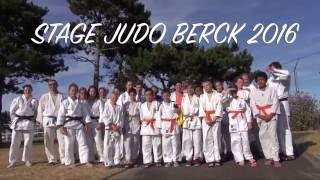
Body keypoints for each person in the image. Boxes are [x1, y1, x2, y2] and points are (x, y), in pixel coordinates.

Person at [56, 83, 93, 168]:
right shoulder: (65, 102)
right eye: (72, 90)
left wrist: (87, 123)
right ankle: (69, 162)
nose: (74, 92)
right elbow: (61, 114)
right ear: (69, 91)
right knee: (69, 143)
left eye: (75, 90)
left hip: (79, 125)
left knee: (83, 143)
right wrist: (60, 126)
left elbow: (85, 114)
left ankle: (85, 161)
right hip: (68, 125)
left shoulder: (81, 103)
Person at [250, 71, 281, 168]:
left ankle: (276, 158)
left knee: (273, 136)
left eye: (262, 79)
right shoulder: (254, 92)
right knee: (263, 137)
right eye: (258, 80)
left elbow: (276, 103)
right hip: (261, 117)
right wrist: (260, 116)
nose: (260, 81)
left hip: (271, 116)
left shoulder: (272, 90)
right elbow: (253, 106)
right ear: (256, 82)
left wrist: (271, 114)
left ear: (265, 80)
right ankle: (269, 157)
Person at [267, 61, 295, 161]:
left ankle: (289, 152)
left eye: (272, 69)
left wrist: (274, 70)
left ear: (278, 69)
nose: (270, 71)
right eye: (270, 69)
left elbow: (287, 73)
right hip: (273, 105)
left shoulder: (285, 77)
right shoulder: (269, 80)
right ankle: (280, 152)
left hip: (283, 102)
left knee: (285, 129)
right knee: (276, 129)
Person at [8, 84, 38, 168]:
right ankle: (12, 161)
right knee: (14, 142)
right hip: (18, 122)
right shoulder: (17, 99)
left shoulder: (34, 101)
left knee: (28, 142)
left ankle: (27, 160)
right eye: (26, 90)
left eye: (29, 89)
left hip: (29, 122)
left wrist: (33, 120)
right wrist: (14, 120)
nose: (27, 91)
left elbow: (36, 112)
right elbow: (12, 111)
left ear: (31, 91)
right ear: (23, 91)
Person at [225, 86, 256, 167]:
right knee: (235, 141)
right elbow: (221, 101)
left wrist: (249, 122)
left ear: (237, 91)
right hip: (233, 122)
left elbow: (248, 111)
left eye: (235, 91)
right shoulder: (227, 100)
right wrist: (228, 91)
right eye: (232, 91)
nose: (233, 93)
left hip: (243, 121)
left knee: (245, 140)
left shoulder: (242, 100)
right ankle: (239, 158)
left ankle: (249, 156)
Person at [37, 80, 65, 165]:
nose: (52, 86)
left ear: (57, 85)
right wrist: (40, 122)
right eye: (50, 85)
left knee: (62, 140)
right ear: (48, 86)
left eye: (53, 84)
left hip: (59, 121)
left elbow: (64, 109)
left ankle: (63, 158)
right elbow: (40, 110)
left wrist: (64, 122)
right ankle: (52, 159)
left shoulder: (61, 96)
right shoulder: (44, 96)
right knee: (48, 141)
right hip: (48, 121)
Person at [199, 81, 223, 167]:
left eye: (207, 85)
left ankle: (217, 158)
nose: (206, 87)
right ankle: (209, 159)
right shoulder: (202, 96)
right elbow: (201, 108)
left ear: (211, 85)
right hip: (206, 118)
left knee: (216, 137)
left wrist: (215, 118)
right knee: (207, 138)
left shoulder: (217, 95)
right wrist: (206, 118)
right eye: (204, 86)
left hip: (215, 118)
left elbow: (220, 107)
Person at [140, 88, 162, 168]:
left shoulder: (157, 104)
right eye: (146, 95)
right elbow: (141, 117)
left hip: (155, 125)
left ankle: (158, 160)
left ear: (153, 95)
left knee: (157, 144)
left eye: (150, 95)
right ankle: (147, 161)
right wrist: (146, 121)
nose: (148, 96)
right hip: (146, 126)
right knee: (146, 145)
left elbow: (159, 116)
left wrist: (159, 126)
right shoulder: (142, 105)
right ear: (145, 96)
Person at [181, 85, 202, 167]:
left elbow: (201, 109)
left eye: (191, 88)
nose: (190, 89)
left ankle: (196, 158)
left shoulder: (197, 98)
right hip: (187, 120)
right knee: (187, 140)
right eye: (188, 88)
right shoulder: (184, 98)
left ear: (194, 89)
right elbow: (182, 109)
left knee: (197, 140)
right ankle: (188, 158)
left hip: (196, 119)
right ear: (186, 89)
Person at [100, 92, 123, 168]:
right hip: (109, 129)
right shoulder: (106, 106)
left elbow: (121, 119)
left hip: (117, 129)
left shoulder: (119, 107)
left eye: (116, 98)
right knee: (108, 146)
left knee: (117, 146)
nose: (114, 99)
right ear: (110, 98)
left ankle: (117, 161)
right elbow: (104, 117)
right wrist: (112, 125)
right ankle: (108, 162)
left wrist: (118, 126)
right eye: (113, 98)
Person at [159, 89, 181, 167]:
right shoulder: (161, 105)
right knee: (166, 144)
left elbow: (178, 111)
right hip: (165, 124)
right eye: (164, 96)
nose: (166, 97)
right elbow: (158, 116)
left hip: (174, 123)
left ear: (170, 95)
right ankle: (168, 160)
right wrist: (159, 127)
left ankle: (176, 159)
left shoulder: (174, 103)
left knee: (175, 143)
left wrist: (177, 110)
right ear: (162, 97)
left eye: (167, 95)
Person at [122, 88, 141, 168]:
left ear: (136, 95)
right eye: (131, 94)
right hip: (127, 124)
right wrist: (122, 126)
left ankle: (134, 159)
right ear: (129, 95)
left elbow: (141, 115)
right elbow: (122, 116)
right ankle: (128, 159)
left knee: (136, 142)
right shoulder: (125, 104)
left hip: (136, 123)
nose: (132, 96)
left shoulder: (139, 104)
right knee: (127, 142)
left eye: (134, 94)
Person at [87, 86, 105, 163]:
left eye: (94, 91)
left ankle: (101, 157)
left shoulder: (99, 101)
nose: (92, 93)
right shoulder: (86, 101)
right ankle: (91, 158)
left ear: (96, 93)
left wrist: (100, 122)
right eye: (91, 91)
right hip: (88, 122)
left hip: (96, 122)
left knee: (98, 141)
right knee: (89, 141)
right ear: (88, 92)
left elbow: (102, 113)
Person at [214, 80, 231, 157]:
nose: (218, 87)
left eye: (219, 85)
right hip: (218, 116)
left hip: (226, 115)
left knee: (227, 134)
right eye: (216, 86)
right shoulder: (214, 95)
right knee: (219, 135)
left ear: (222, 86)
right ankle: (220, 151)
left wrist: (227, 94)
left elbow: (227, 101)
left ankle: (228, 151)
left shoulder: (226, 92)